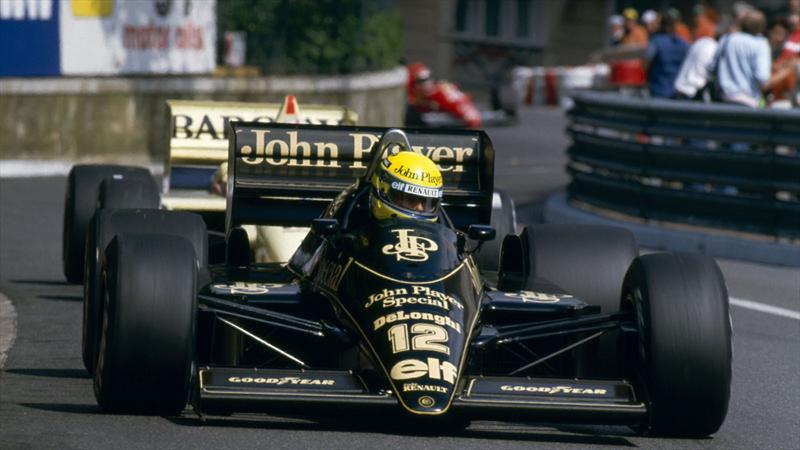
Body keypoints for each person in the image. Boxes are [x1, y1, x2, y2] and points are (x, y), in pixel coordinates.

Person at [716, 8, 782, 107]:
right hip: (748, 103)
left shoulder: (726, 39)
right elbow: (763, 78)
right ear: (762, 28)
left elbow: (711, 67)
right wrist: (786, 71)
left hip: (722, 99)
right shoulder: (761, 44)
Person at [370, 150, 443, 221]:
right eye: (412, 199)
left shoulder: (444, 231)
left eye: (426, 202)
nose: (420, 208)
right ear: (383, 191)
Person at [643, 12, 690, 98]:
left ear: (661, 25)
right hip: (678, 91)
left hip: (658, 89)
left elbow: (645, 64)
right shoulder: (683, 43)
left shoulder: (655, 42)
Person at [674, 21, 724, 100]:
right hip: (693, 91)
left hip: (680, 87)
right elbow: (710, 70)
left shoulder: (700, 42)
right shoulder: (714, 48)